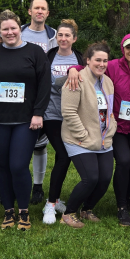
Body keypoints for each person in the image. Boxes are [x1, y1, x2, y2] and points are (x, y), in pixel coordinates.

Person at [65, 33, 130, 226]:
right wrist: (72, 69)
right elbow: (90, 67)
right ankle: (122, 207)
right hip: (115, 128)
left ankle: (126, 197)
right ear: (123, 49)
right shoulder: (111, 66)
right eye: (128, 47)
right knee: (124, 161)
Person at [0, 9, 51, 231]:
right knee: (2, 166)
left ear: (19, 28)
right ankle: (8, 212)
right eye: (5, 29)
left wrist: (38, 112)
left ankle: (24, 211)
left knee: (18, 165)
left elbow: (44, 84)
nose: (9, 32)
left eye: (13, 28)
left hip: (26, 120)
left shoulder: (35, 52)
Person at [59, 42, 117, 228]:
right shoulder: (76, 79)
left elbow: (110, 111)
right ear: (88, 60)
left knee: (105, 179)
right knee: (90, 178)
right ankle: (69, 213)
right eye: (97, 60)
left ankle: (87, 209)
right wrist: (83, 134)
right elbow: (68, 112)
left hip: (103, 138)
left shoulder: (107, 82)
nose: (101, 64)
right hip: (79, 139)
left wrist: (111, 128)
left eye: (105, 60)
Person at [38, 19, 85, 224]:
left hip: (73, 115)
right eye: (60, 35)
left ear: (74, 38)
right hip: (51, 114)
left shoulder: (80, 58)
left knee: (62, 158)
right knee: (64, 155)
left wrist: (74, 68)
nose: (63, 38)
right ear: (56, 38)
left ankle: (55, 199)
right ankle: (49, 204)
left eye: (67, 35)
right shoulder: (48, 57)